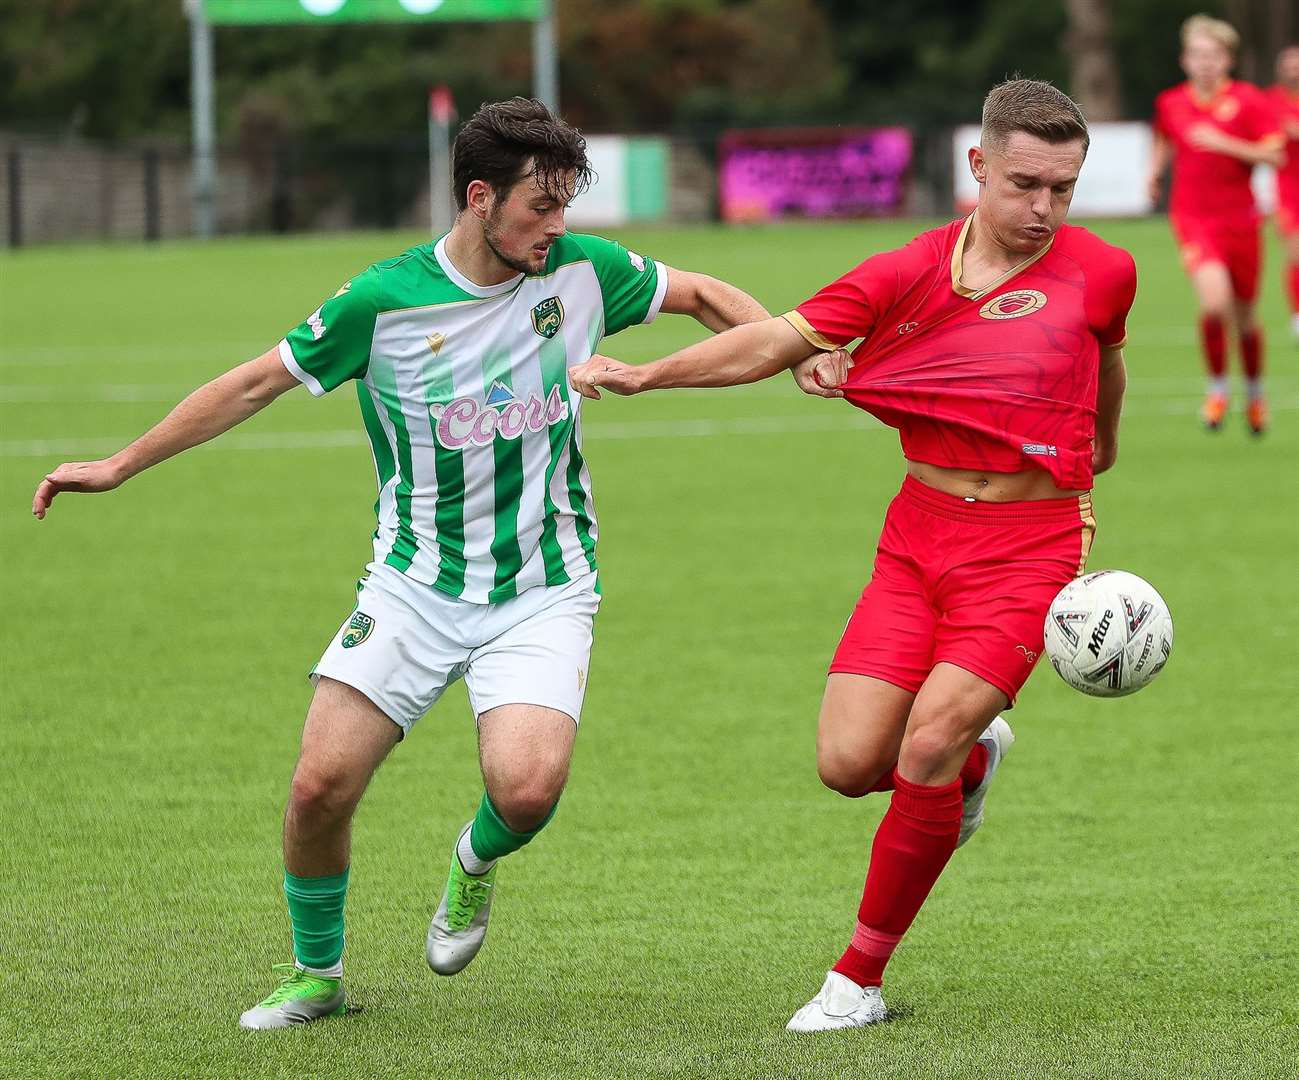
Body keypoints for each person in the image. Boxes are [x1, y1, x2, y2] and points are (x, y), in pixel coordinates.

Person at [31, 97, 790, 1030]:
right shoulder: (381, 302)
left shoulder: (586, 273)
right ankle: (317, 976)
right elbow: (251, 383)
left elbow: (709, 297)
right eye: (539, 208)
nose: (558, 227)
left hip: (545, 585)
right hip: (414, 585)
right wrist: (118, 464)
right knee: (317, 787)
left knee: (526, 788)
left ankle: (473, 864)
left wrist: (795, 350)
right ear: (479, 198)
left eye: (564, 207)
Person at [570, 78, 1136, 1031]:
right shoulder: (901, 273)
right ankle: (970, 768)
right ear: (978, 166)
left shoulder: (1105, 270)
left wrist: (1099, 449)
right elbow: (771, 342)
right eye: (1025, 184)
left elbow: (1106, 359)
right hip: (916, 539)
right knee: (846, 762)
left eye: (1063, 189)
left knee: (925, 739)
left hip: (1031, 547)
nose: (1043, 209)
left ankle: (855, 979)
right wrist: (645, 374)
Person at [1148, 14, 1285, 434]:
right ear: (1184, 59)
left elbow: (1276, 155)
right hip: (1192, 218)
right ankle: (1218, 390)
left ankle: (1256, 395)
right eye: (1196, 54)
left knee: (1245, 317)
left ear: (1228, 59)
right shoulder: (1171, 101)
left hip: (1241, 221)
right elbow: (1165, 139)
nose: (1204, 62)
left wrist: (1224, 142)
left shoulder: (1248, 99)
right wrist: (1153, 173)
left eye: (1213, 55)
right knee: (1214, 304)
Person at [1268, 45, 1299, 341]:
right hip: (1289, 192)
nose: (1294, 69)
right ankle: (1297, 315)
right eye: (1290, 65)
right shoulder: (1272, 101)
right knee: (1296, 255)